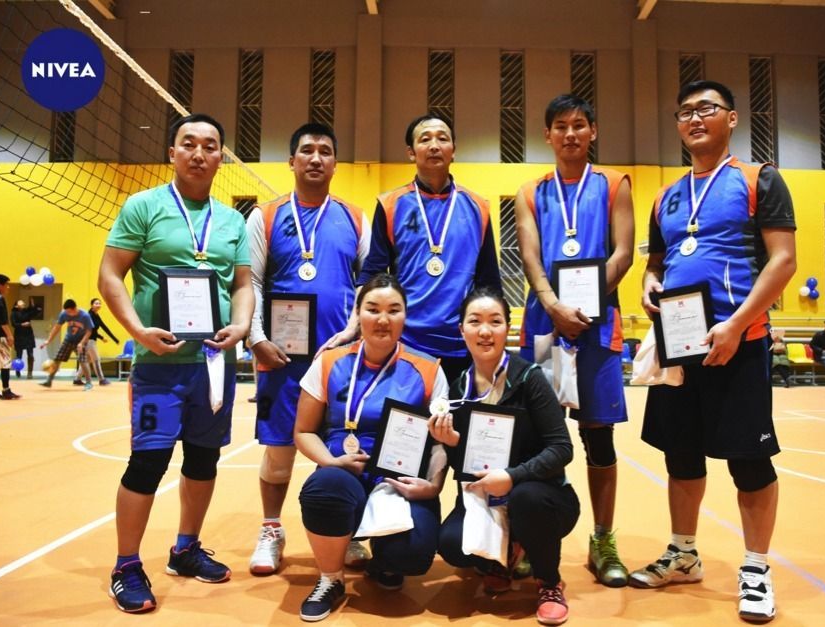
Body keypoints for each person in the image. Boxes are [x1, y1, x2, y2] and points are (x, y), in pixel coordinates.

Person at [631, 80, 797, 623]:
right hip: (679, 345)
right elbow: (657, 262)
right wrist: (649, 284)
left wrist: (737, 325)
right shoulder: (666, 195)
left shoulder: (758, 179)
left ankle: (756, 569)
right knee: (680, 454)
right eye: (685, 112)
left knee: (749, 460)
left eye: (707, 108)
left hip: (738, 343)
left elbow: (783, 261)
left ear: (731, 118)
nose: (695, 118)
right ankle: (684, 554)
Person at [97, 113, 254, 613]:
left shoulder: (232, 221)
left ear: (220, 157)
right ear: (172, 153)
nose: (199, 153)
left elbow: (243, 285)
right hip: (159, 363)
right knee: (147, 463)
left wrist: (242, 326)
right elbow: (109, 274)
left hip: (212, 364)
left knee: (204, 460)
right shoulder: (143, 206)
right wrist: (136, 331)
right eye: (189, 144)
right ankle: (125, 565)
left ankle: (185, 549)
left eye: (210, 145)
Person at [514, 94, 635, 587]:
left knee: (598, 438)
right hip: (544, 327)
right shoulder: (530, 191)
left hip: (596, 327)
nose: (570, 133)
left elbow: (623, 253)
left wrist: (581, 305)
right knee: (537, 438)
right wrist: (554, 306)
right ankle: (533, 538)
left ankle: (602, 540)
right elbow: (529, 257)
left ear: (593, 131)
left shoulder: (614, 184)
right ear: (547, 135)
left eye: (579, 124)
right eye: (560, 126)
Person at [245, 122, 371, 577]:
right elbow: (250, 281)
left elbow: (368, 282)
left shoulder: (355, 217)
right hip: (281, 359)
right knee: (280, 453)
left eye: (325, 151)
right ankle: (271, 530)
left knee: (343, 448)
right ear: (291, 161)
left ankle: (348, 532)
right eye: (307, 150)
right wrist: (256, 338)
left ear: (335, 163)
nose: (316, 158)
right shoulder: (264, 217)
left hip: (339, 363)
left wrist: (354, 330)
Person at [294, 273, 448, 622]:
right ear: (358, 313)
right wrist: (331, 461)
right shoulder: (329, 361)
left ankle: (385, 559)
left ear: (405, 315)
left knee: (412, 555)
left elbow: (440, 443)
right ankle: (331, 578)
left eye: (394, 310)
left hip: (398, 479)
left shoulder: (428, 369)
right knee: (323, 489)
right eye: (373, 309)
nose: (382, 319)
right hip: (344, 472)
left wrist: (433, 485)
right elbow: (303, 431)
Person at [432, 287, 579, 626]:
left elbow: (562, 448)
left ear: (507, 329)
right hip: (486, 499)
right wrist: (452, 442)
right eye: (475, 322)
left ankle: (549, 582)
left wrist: (513, 476)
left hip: (542, 497)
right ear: (462, 330)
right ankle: (503, 557)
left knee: (526, 499)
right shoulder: (458, 390)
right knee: (451, 545)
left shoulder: (530, 378)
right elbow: (466, 468)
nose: (485, 331)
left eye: (495, 321)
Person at [327, 114, 501, 383]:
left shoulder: (478, 207)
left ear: (453, 150)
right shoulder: (390, 204)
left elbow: (489, 282)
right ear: (411, 152)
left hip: (461, 344)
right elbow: (373, 272)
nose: (434, 145)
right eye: (425, 139)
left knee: (456, 412)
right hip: (405, 342)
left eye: (442, 139)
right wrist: (354, 325)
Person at [38, 299, 94, 390]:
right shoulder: (64, 314)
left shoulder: (85, 316)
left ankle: (89, 383)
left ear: (74, 308)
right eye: (66, 311)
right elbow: (57, 327)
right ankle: (49, 381)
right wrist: (48, 341)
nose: (67, 313)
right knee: (57, 359)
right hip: (68, 340)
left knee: (83, 360)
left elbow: (89, 331)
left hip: (81, 341)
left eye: (69, 312)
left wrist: (81, 343)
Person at [0, 274, 20, 399]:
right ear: (0, 286)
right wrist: (10, 335)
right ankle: (6, 390)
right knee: (5, 363)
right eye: (6, 285)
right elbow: (2, 321)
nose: (8, 287)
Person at [74, 297, 120, 386]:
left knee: (87, 360)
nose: (98, 305)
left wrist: (114, 338)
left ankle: (77, 379)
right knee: (96, 359)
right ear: (92, 305)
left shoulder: (96, 316)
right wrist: (101, 337)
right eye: (96, 303)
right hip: (88, 340)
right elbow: (90, 331)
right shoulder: (89, 316)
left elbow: (104, 327)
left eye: (99, 303)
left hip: (91, 340)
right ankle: (101, 379)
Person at [11, 298, 42, 379]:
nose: (23, 303)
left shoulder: (27, 311)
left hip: (28, 335)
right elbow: (14, 324)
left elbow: (35, 313)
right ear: (16, 305)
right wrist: (22, 325)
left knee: (30, 354)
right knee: (19, 355)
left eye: (23, 302)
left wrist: (33, 305)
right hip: (19, 335)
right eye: (20, 302)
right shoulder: (13, 313)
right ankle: (17, 370)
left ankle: (30, 372)